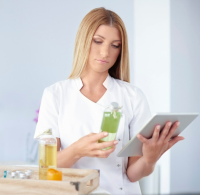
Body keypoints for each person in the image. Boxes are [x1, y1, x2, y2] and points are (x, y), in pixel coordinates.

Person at [34, 7, 184, 194]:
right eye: (98, 41)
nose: (105, 52)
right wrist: (77, 150)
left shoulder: (132, 96)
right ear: (84, 40)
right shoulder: (55, 94)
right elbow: (46, 168)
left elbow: (132, 174)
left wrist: (149, 159)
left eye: (115, 45)